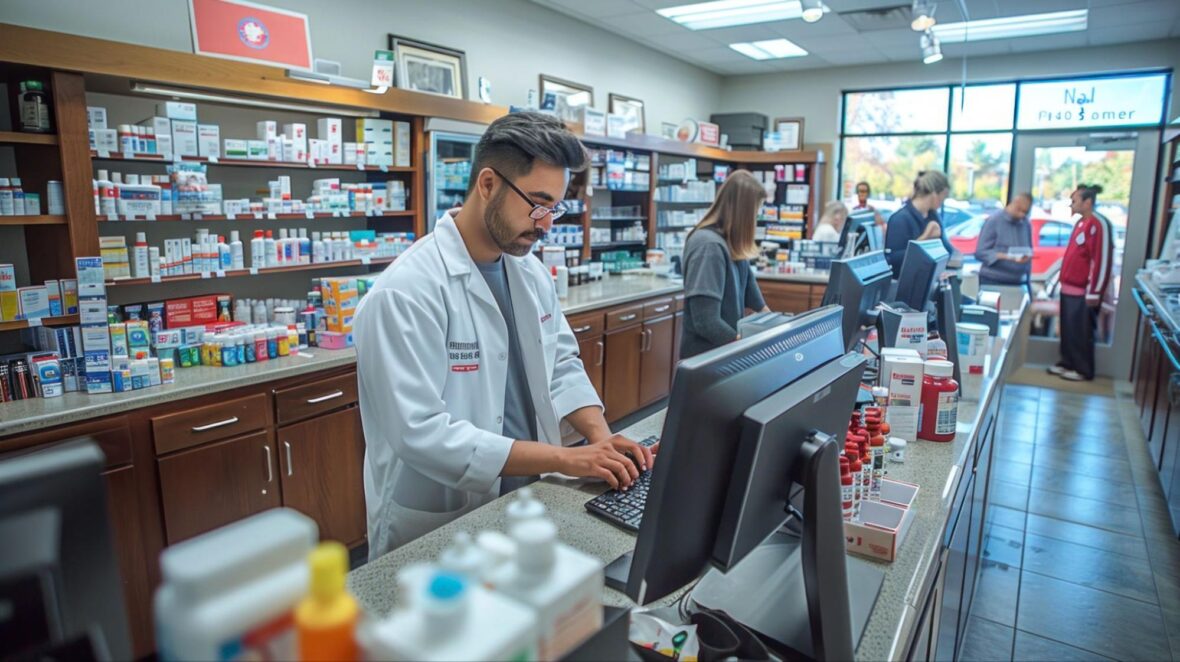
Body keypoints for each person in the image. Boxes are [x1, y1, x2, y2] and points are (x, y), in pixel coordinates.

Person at [353, 112, 654, 558]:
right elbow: (421, 433)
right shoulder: (405, 293)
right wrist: (565, 459)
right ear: (488, 184)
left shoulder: (530, 272)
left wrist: (600, 438)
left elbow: (561, 365)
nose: (546, 223)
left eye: (554, 207)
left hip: (529, 497)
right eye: (537, 203)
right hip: (441, 519)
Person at [681, 169, 771, 359]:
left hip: (725, 355)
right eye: (755, 213)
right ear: (743, 214)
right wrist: (745, 346)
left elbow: (754, 297)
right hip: (706, 361)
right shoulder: (709, 246)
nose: (755, 220)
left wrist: (776, 325)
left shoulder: (732, 244)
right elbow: (706, 322)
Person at [1049, 185, 1113, 382]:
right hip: (1069, 288)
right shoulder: (1080, 223)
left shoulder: (1098, 224)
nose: (1071, 203)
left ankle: (1083, 369)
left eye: (1075, 200)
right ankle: (1068, 362)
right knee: (1068, 329)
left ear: (1088, 202)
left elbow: (1101, 260)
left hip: (1084, 291)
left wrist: (1094, 292)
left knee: (1081, 331)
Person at [885, 170, 953, 278]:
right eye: (943, 196)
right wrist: (925, 238)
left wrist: (939, 239)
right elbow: (894, 260)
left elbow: (948, 251)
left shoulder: (933, 216)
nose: (942, 202)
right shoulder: (900, 219)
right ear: (934, 194)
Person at [975, 193, 1033, 288]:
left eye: (1025, 212)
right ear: (1014, 203)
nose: (1022, 215)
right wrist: (1006, 257)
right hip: (993, 280)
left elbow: (1029, 252)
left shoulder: (1025, 223)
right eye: (1019, 210)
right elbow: (980, 253)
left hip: (1018, 282)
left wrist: (1028, 283)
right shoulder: (994, 221)